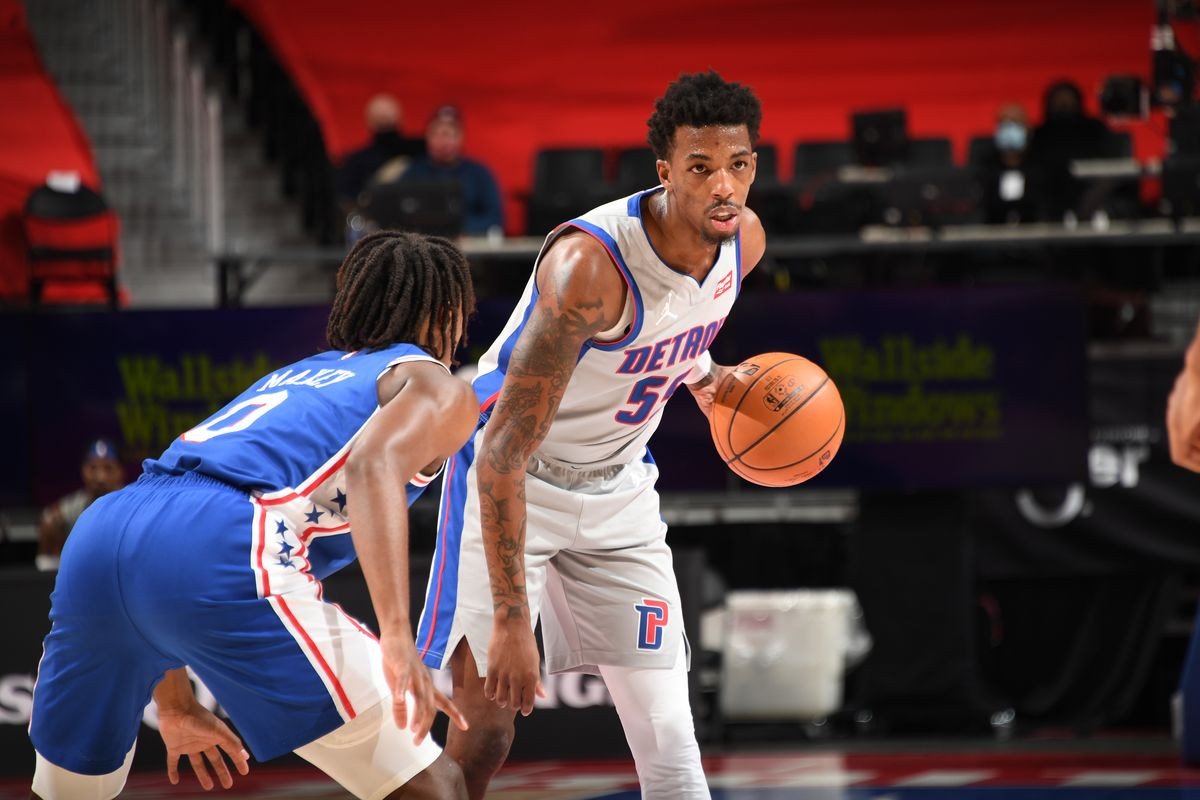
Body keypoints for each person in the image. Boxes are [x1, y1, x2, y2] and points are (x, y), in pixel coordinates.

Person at [416, 71, 767, 799]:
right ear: (665, 172)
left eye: (737, 165)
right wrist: (512, 619)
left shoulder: (744, 242)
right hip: (514, 479)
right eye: (700, 168)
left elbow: (675, 323)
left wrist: (707, 378)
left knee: (671, 741)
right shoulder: (589, 268)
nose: (723, 186)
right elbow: (502, 452)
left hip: (620, 491)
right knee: (484, 738)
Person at [29, 231, 478, 800]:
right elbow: (372, 467)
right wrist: (396, 635)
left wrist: (174, 703)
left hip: (106, 529)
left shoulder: (301, 372)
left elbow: (160, 536)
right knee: (435, 788)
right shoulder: (434, 383)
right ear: (446, 313)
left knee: (64, 793)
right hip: (225, 542)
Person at [401, 105, 505, 236]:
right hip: (423, 242)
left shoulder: (479, 173)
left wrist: (463, 228)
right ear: (427, 138)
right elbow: (399, 213)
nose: (443, 141)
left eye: (449, 134)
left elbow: (495, 216)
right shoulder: (413, 173)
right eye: (436, 134)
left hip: (469, 243)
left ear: (461, 137)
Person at [1027, 80, 1113, 221]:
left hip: (1089, 186)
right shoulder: (1039, 135)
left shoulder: (1094, 129)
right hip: (1050, 190)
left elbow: (1108, 160)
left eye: (1067, 100)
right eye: (1059, 100)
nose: (1064, 104)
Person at [36, 438, 125, 570]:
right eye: (93, 468)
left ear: (120, 471)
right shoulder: (74, 507)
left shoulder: (132, 504)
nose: (100, 477)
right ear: (83, 470)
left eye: (108, 468)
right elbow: (50, 519)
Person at [336, 93, 427, 207]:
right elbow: (347, 195)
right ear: (368, 121)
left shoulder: (421, 149)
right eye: (379, 116)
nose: (384, 117)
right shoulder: (357, 160)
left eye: (387, 115)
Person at [974, 102, 1046, 224]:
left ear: (1028, 128)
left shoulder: (1041, 167)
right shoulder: (984, 168)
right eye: (1004, 123)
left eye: (1015, 122)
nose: (1010, 128)